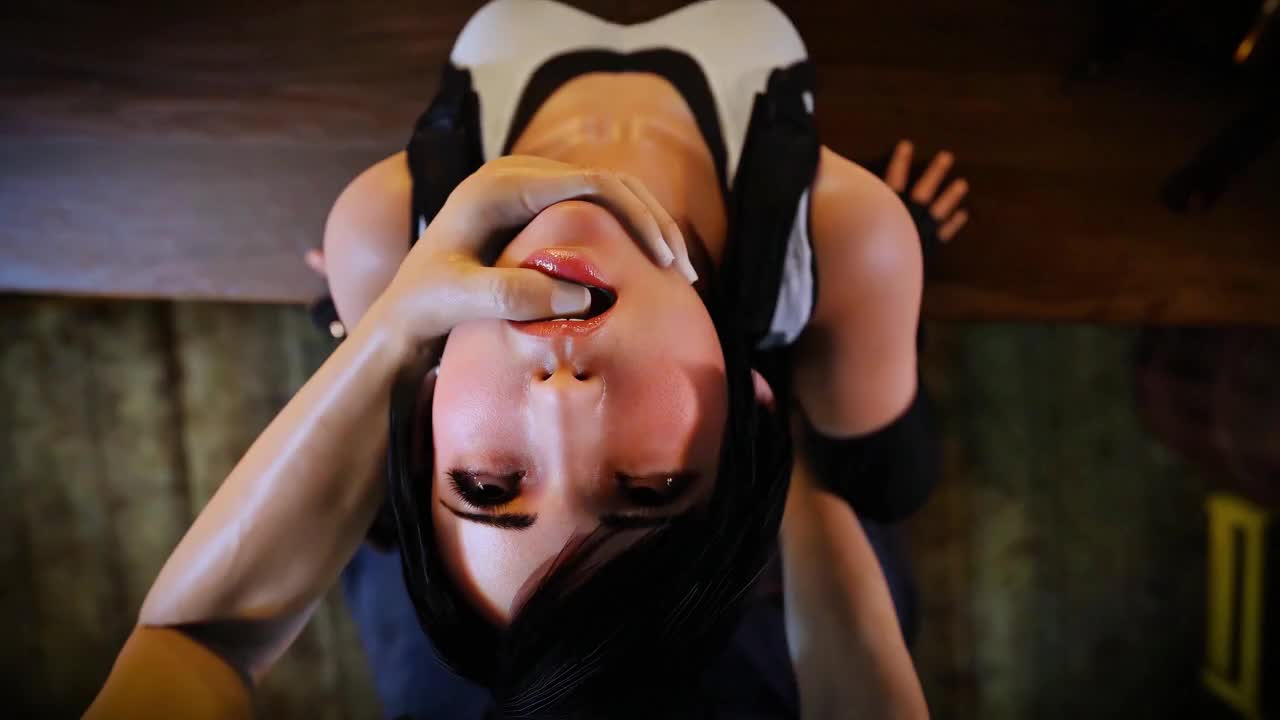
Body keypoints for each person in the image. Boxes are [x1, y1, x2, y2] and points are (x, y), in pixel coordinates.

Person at [89, 1, 970, 717]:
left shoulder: (383, 227)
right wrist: (865, 284)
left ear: (425, 401)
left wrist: (380, 321)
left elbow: (198, 642)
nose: (560, 397)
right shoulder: (843, 233)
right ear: (750, 410)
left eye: (486, 485)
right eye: (647, 488)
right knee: (883, 472)